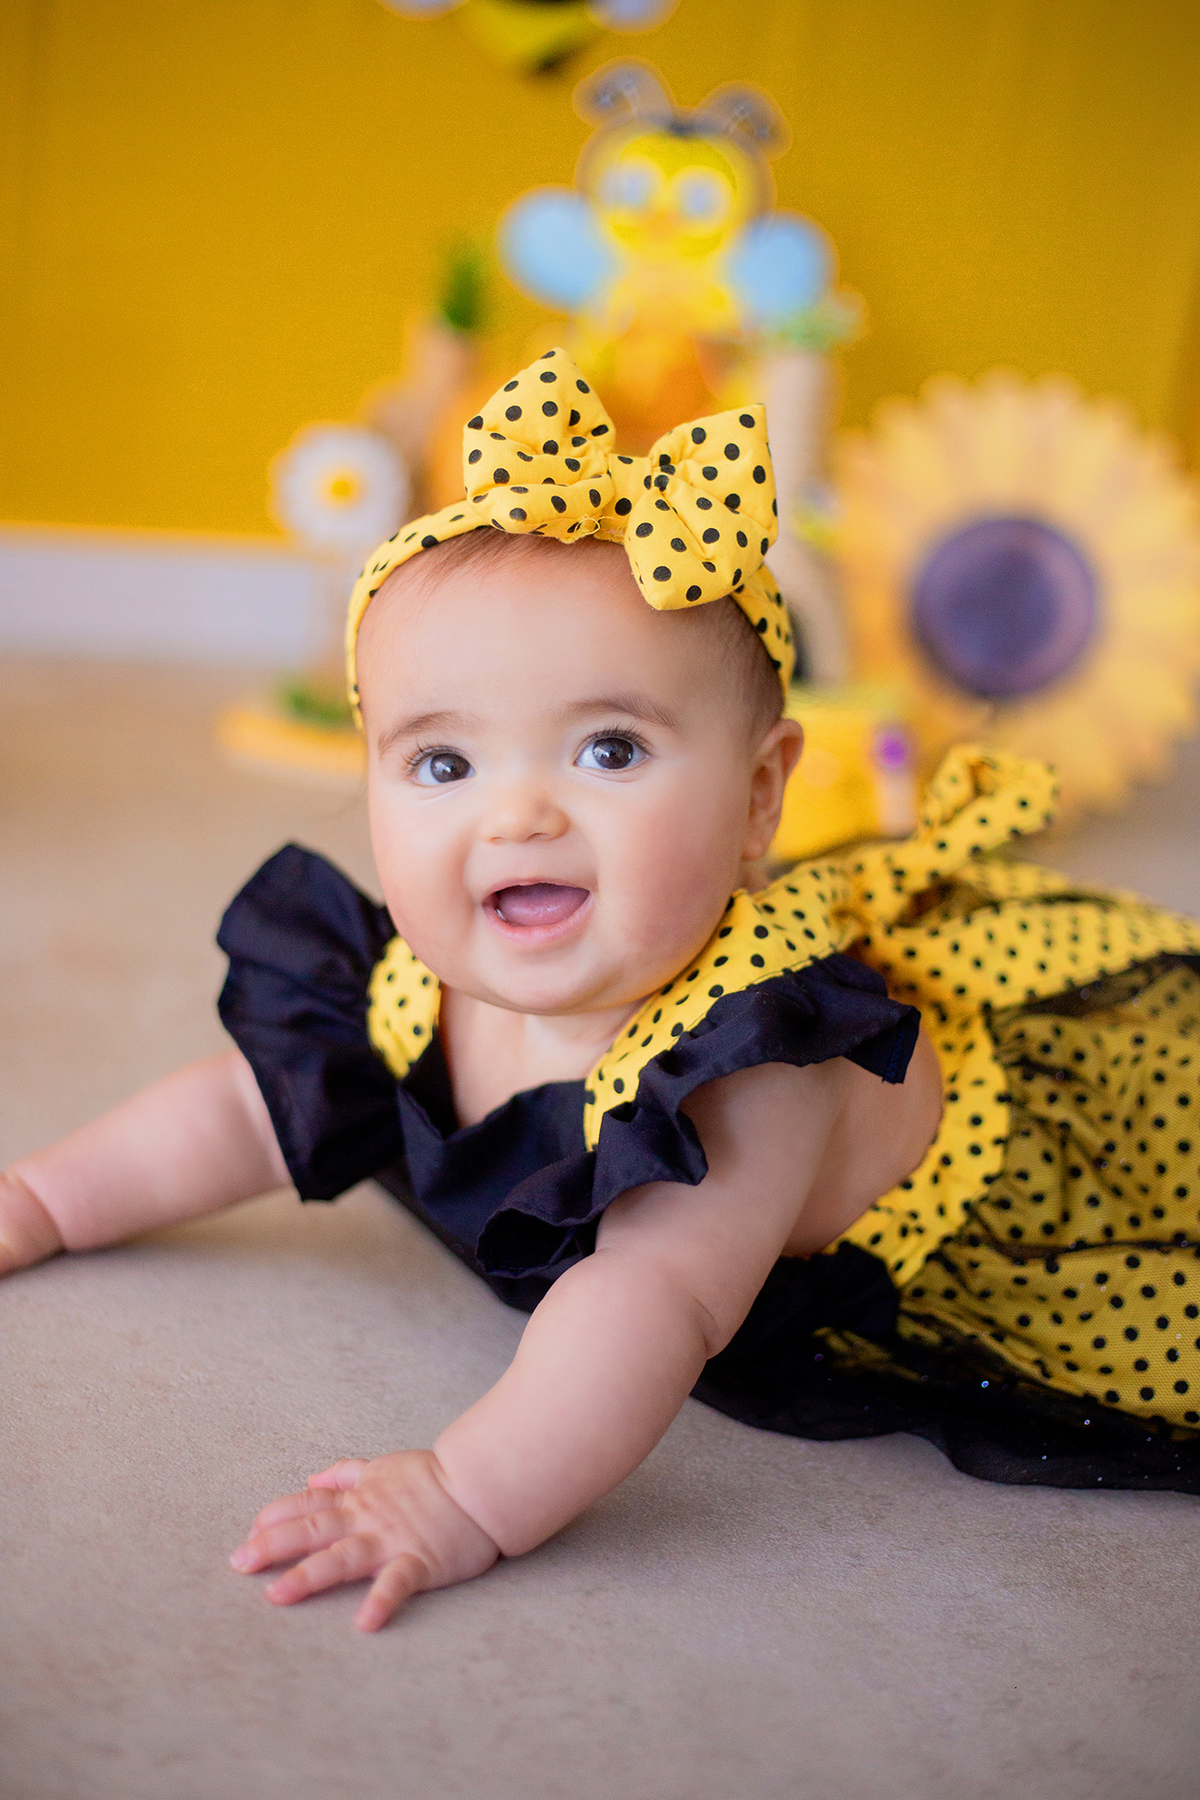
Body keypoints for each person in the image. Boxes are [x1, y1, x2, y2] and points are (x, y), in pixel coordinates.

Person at [3, 350, 1199, 1635]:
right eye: (443, 760)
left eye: (609, 748)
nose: (516, 813)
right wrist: (46, 1199)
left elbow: (653, 1302)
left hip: (1040, 1175)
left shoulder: (757, 1068)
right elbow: (246, 1109)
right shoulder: (422, 981)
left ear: (758, 800)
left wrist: (464, 1494)